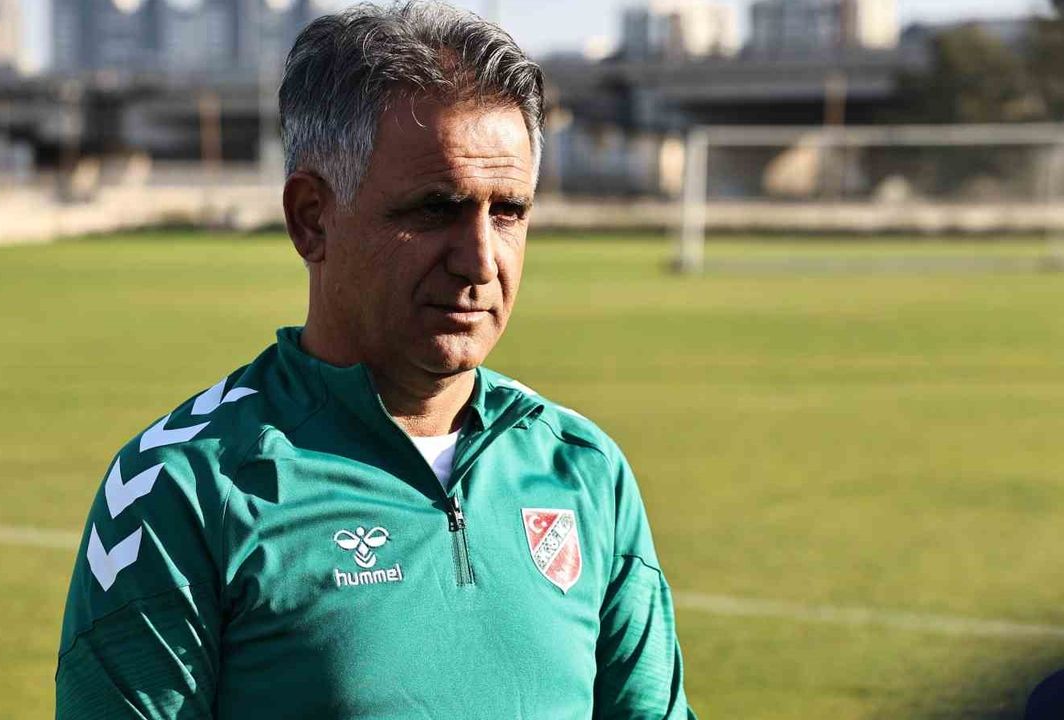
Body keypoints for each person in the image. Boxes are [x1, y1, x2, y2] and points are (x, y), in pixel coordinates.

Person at [55, 2, 694, 717]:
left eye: (508, 212)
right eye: (435, 209)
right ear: (311, 218)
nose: (481, 260)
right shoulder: (182, 487)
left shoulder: (583, 470)